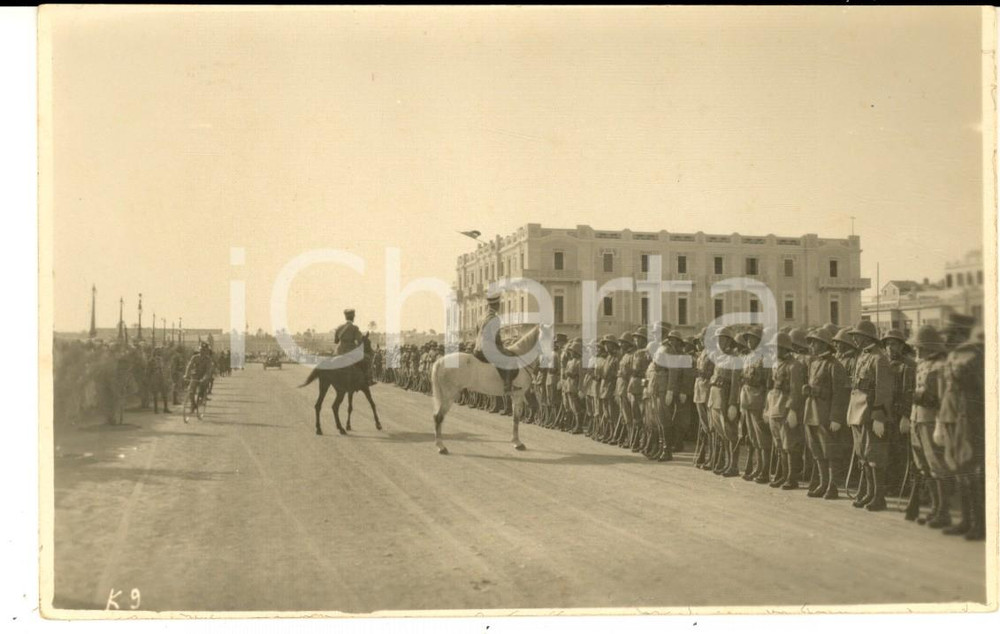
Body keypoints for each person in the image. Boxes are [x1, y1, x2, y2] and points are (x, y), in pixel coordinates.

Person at [846, 320, 894, 511]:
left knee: (875, 455)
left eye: (857, 336)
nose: (855, 339)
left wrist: (879, 416)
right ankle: (868, 492)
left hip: (870, 412)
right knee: (863, 454)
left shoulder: (879, 358)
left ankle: (878, 497)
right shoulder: (862, 356)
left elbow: (884, 389)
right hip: (857, 411)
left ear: (867, 337)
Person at [802, 328, 849, 499]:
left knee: (830, 451)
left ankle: (832, 486)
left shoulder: (835, 365)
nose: (811, 345)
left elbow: (840, 394)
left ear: (823, 344)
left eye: (814, 342)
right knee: (816, 450)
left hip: (825, 413)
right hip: (812, 412)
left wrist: (836, 417)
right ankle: (822, 483)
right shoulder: (813, 363)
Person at [473, 291, 518, 395]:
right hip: (487, 350)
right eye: (499, 304)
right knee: (510, 358)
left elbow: (476, 333)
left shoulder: (481, 317)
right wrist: (503, 349)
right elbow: (496, 338)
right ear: (497, 305)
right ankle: (508, 386)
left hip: (477, 349)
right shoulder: (494, 318)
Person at [335, 308, 374, 386]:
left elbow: (336, 341)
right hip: (350, 352)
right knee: (367, 358)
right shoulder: (354, 328)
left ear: (345, 317)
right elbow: (360, 341)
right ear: (353, 317)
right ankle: (368, 379)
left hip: (339, 352)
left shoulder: (339, 328)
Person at [183, 342, 216, 418]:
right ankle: (193, 404)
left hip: (203, 378)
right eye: (201, 350)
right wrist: (186, 374)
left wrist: (205, 378)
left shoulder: (208, 360)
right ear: (199, 350)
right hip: (195, 376)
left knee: (202, 391)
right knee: (190, 390)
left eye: (204, 350)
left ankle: (200, 401)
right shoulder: (195, 357)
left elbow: (208, 371)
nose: (202, 352)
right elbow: (189, 366)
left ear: (207, 351)